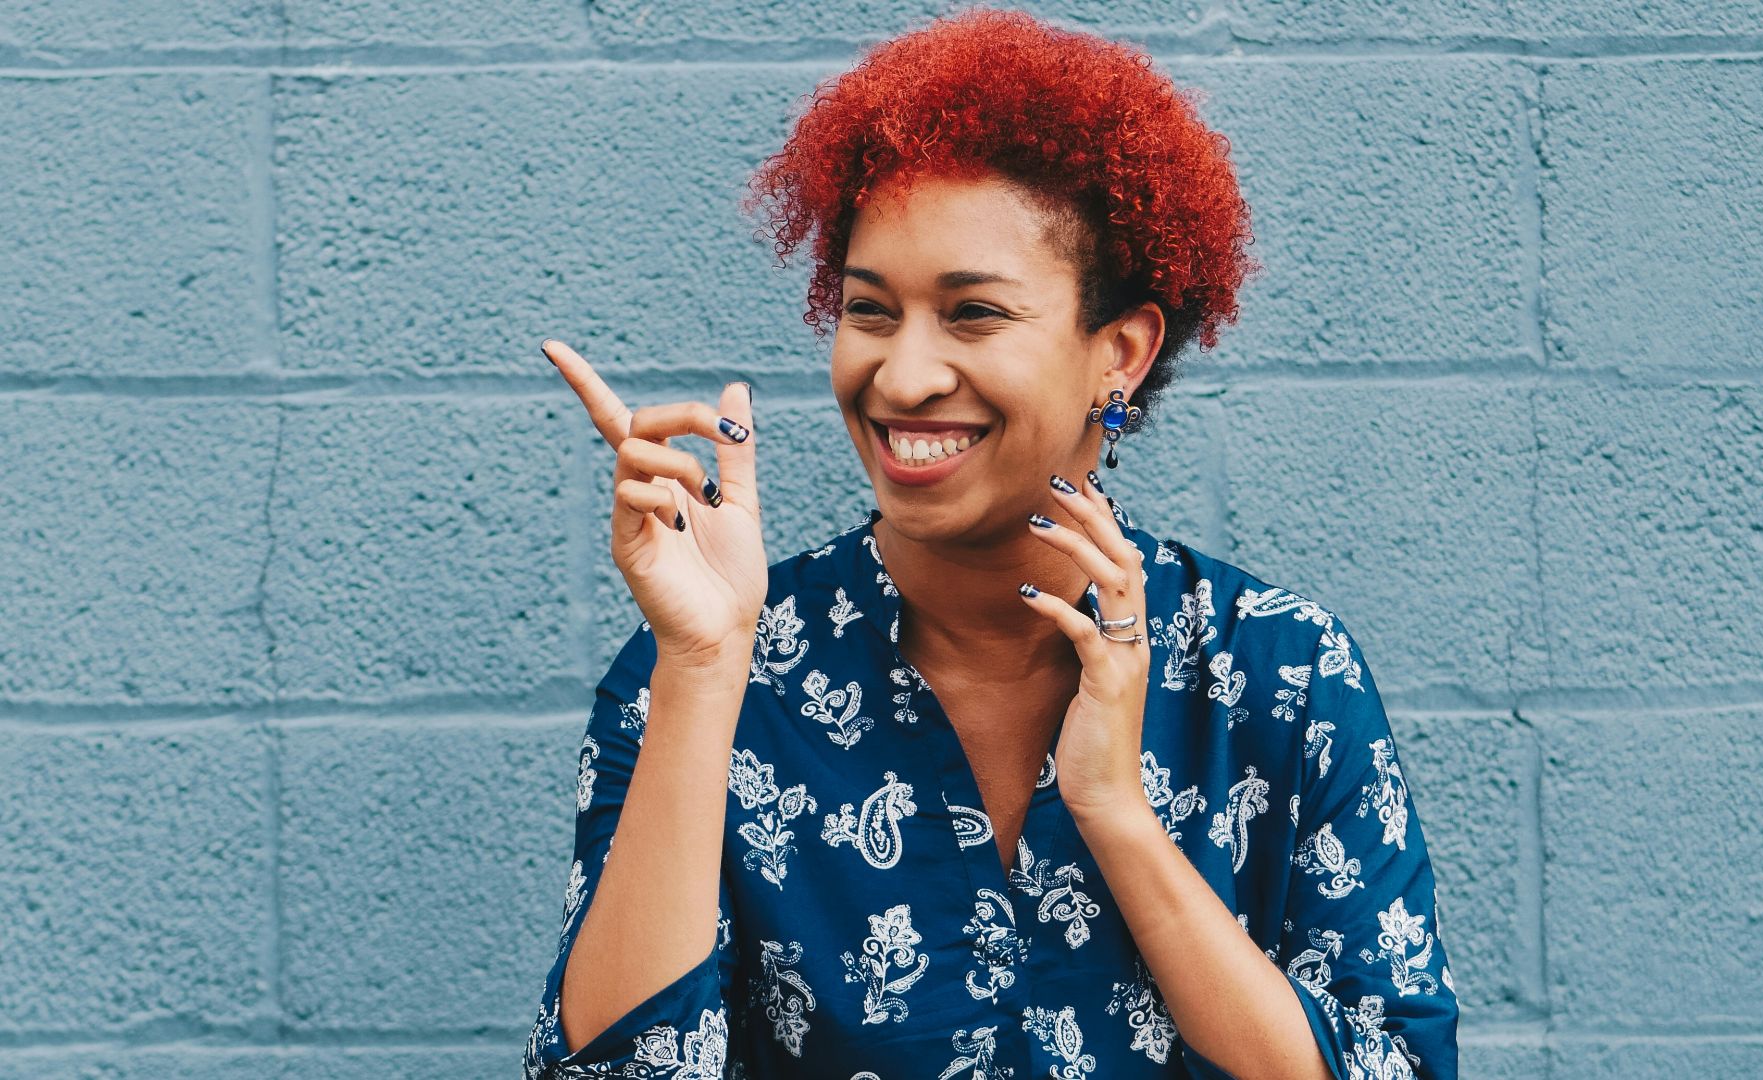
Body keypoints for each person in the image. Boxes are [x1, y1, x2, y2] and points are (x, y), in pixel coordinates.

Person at [522, 8, 1457, 1078]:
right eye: (871, 312)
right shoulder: (704, 676)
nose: (904, 375)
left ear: (1121, 351)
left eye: (972, 316)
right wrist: (699, 668)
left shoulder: (1278, 675)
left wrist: (1119, 819)